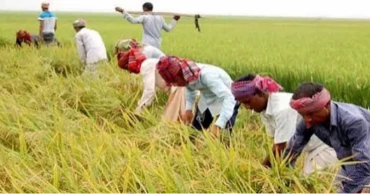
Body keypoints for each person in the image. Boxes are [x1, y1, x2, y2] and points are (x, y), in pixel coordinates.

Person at [231, 74, 337, 176]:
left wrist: (261, 171)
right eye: (243, 104)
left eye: (248, 102)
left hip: (326, 147)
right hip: (312, 149)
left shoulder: (282, 109)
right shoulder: (264, 111)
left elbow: (280, 147)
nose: (247, 107)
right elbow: (277, 143)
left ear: (261, 93)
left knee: (309, 183)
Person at [283, 82, 370, 194]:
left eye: (310, 114)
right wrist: (284, 177)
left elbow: (366, 166)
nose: (307, 120)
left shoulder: (353, 122)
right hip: (349, 165)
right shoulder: (308, 121)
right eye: (303, 115)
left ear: (326, 105)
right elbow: (293, 150)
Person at [156, 56, 240, 138]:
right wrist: (188, 109)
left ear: (181, 74)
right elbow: (190, 89)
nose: (176, 84)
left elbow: (229, 97)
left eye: (176, 81)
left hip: (227, 100)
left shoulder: (207, 76)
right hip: (207, 100)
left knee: (223, 136)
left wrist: (218, 125)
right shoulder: (188, 75)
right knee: (194, 132)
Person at [116, 48, 186, 122]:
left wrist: (139, 110)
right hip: (179, 85)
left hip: (180, 86)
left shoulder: (146, 66)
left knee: (171, 119)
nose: (129, 72)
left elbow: (149, 90)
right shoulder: (149, 63)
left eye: (127, 68)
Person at [115, 2, 180, 49]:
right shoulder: (160, 17)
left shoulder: (145, 17)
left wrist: (123, 11)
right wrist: (174, 20)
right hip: (157, 45)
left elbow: (133, 20)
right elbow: (168, 29)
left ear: (144, 9)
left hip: (147, 45)